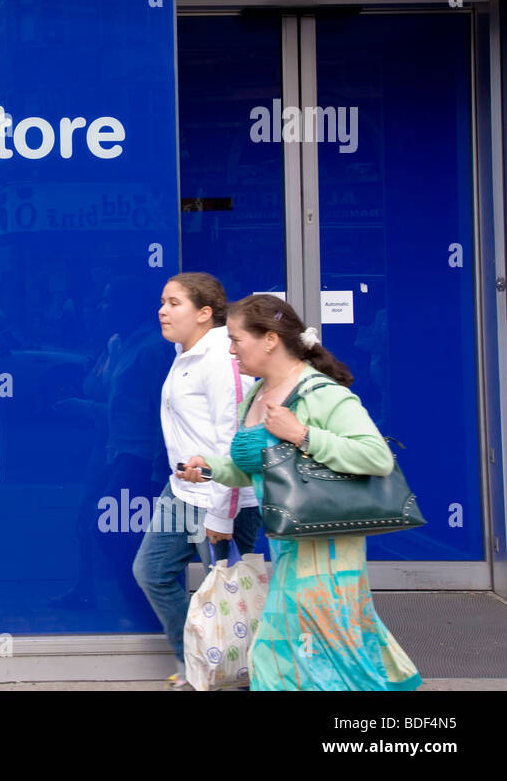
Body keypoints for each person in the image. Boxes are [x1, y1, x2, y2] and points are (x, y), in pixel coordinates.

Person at [181, 294, 421, 691]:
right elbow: (254, 470)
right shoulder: (257, 396)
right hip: (291, 544)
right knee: (300, 654)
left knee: (304, 652)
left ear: (270, 339)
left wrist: (303, 434)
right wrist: (209, 468)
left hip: (328, 550)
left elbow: (377, 457)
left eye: (237, 339)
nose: (230, 349)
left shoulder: (319, 393)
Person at [132, 273, 262, 690]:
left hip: (223, 499)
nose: (162, 310)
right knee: (151, 571)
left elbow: (233, 443)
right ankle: (196, 665)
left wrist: (222, 517)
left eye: (174, 303)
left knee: (229, 599)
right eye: (162, 301)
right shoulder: (185, 353)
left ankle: (239, 676)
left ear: (205, 313)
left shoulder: (223, 360)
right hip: (183, 490)